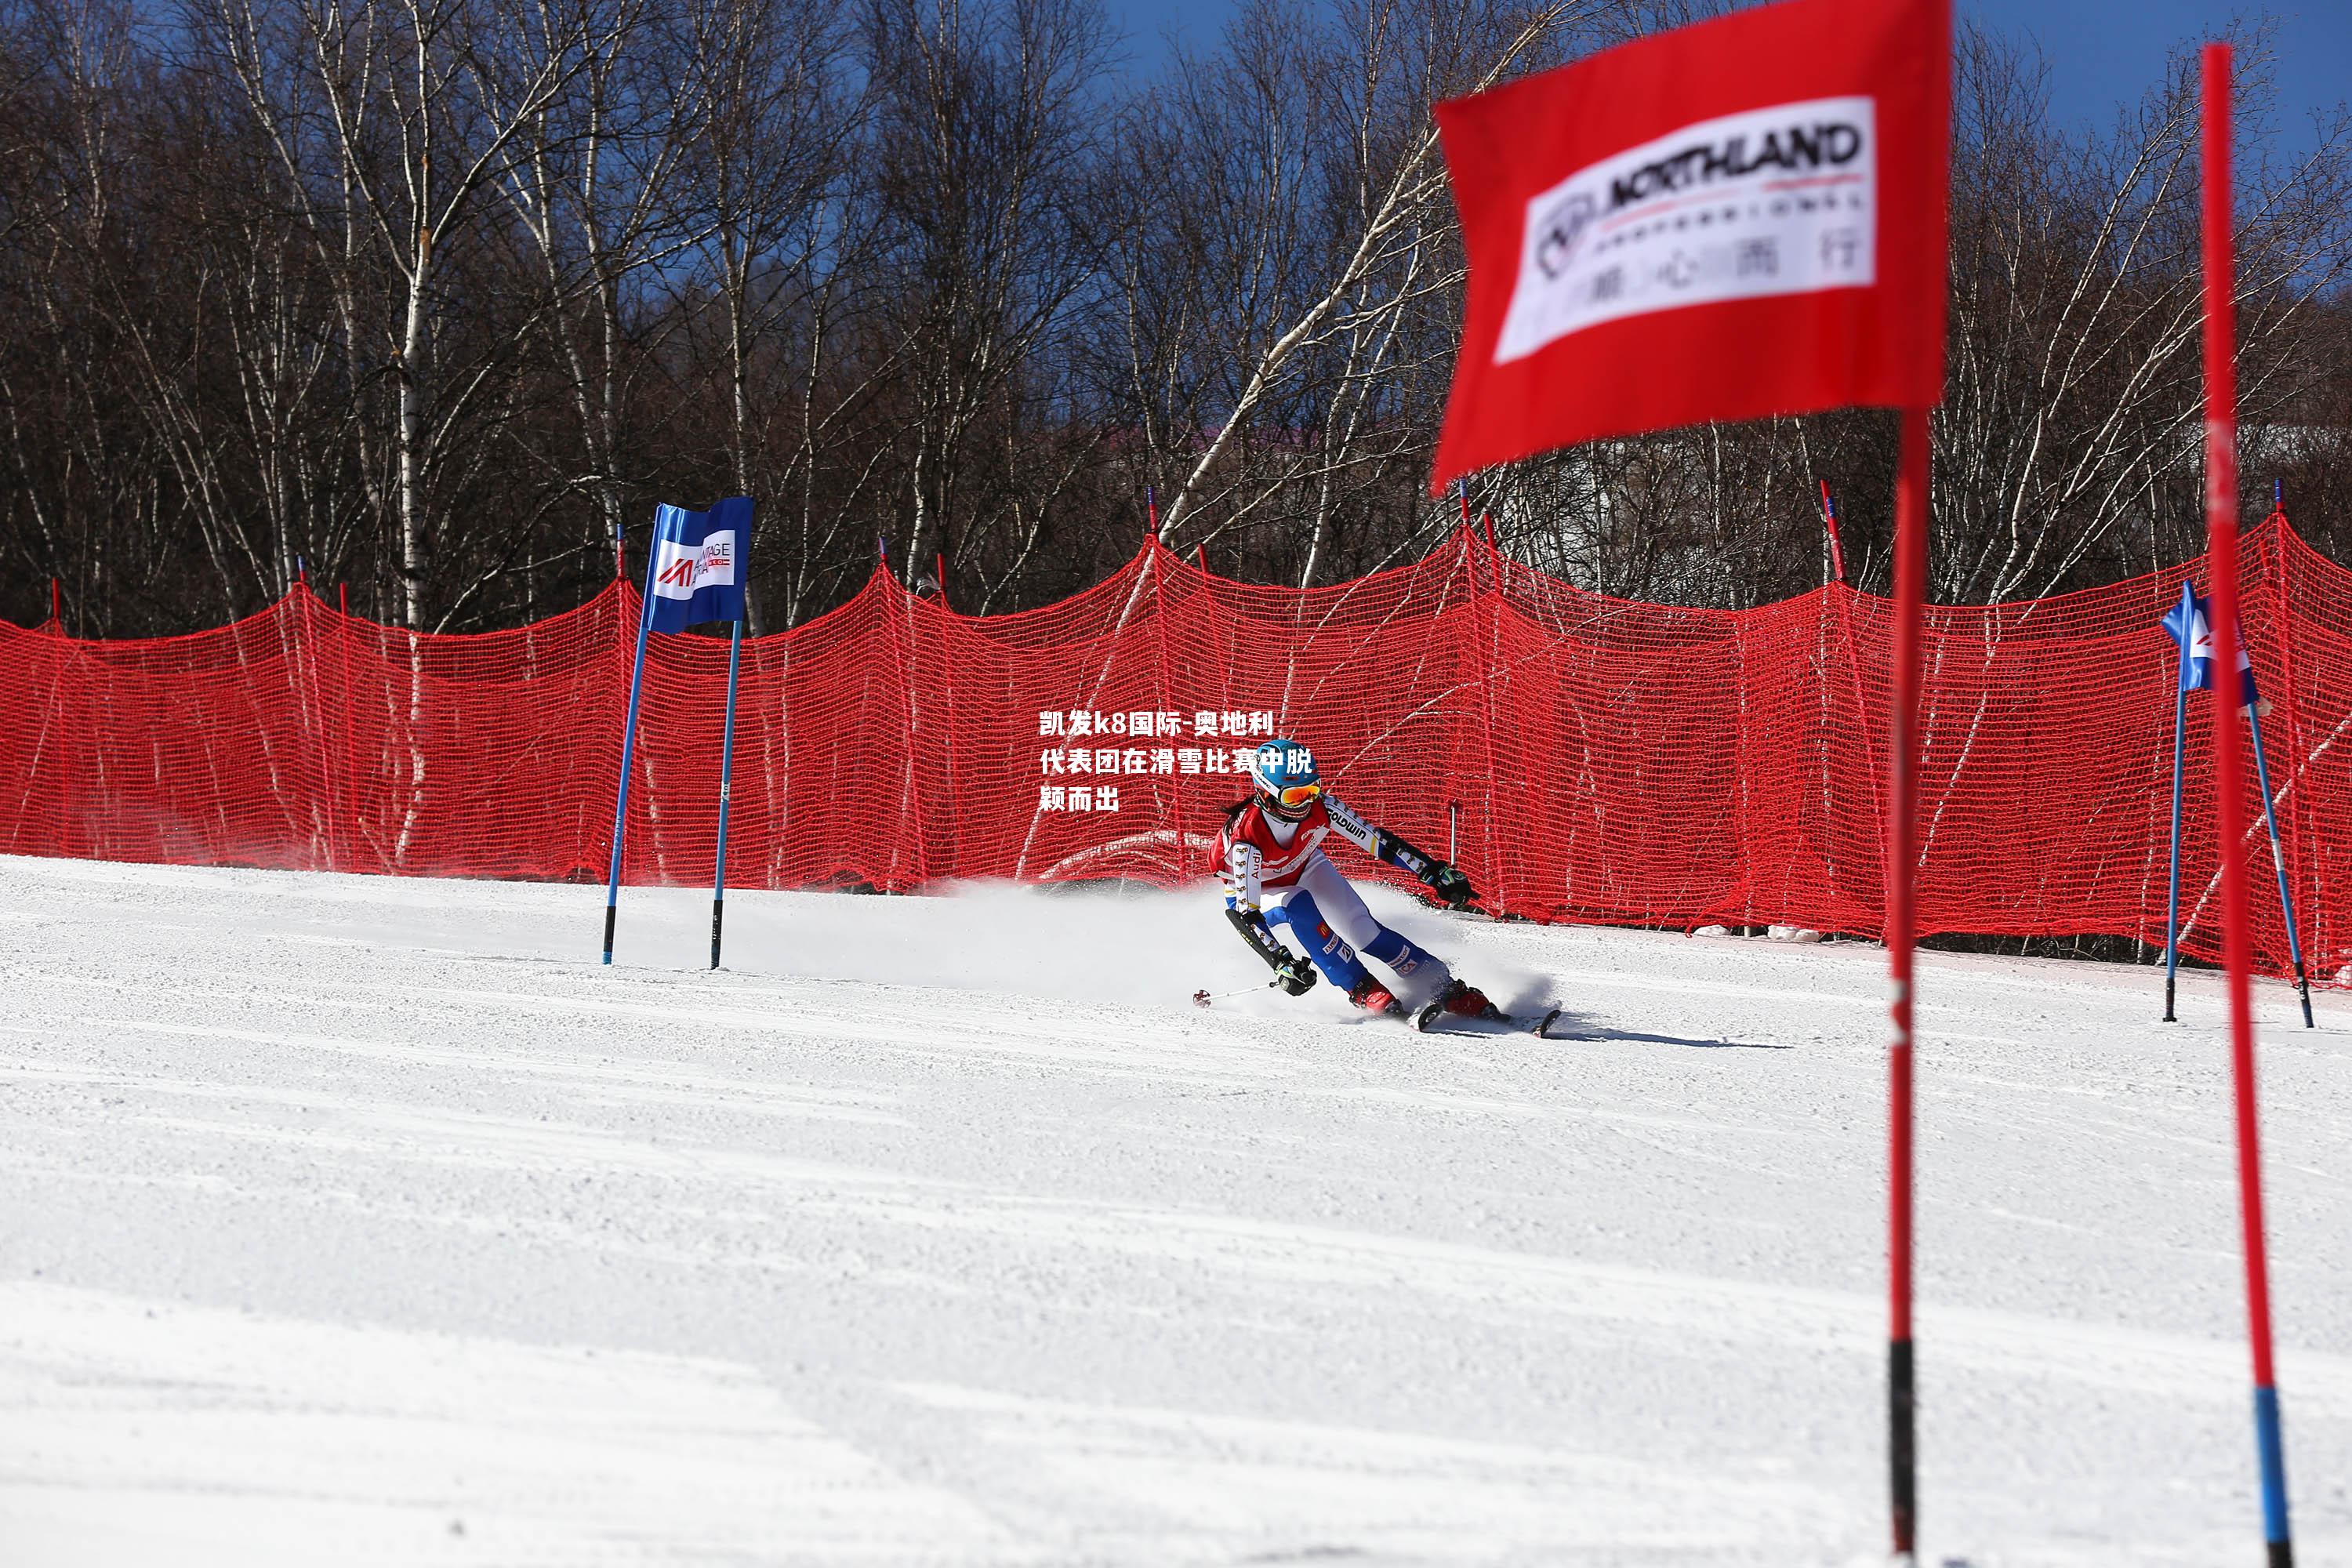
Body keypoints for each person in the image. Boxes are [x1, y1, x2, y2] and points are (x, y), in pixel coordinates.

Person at [1214, 737, 1493, 1018]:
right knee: (1297, 903)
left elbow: (1377, 841)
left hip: (1305, 865)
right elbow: (1244, 914)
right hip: (1260, 889)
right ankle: (1360, 986)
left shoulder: (1323, 806)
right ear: (1265, 793)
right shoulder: (1246, 839)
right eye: (1294, 797)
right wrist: (1279, 960)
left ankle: (1444, 987)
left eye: (1311, 791)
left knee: (1363, 928)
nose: (1306, 804)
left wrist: (1433, 872)